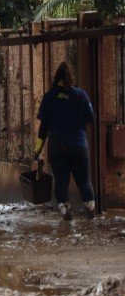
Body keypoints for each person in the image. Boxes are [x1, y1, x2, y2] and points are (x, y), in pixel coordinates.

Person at [33, 62, 96, 220]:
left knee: (61, 182)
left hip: (57, 146)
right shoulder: (81, 95)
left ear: (56, 78)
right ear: (70, 77)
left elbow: (43, 127)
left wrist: (37, 149)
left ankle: (66, 214)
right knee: (84, 181)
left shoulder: (49, 97)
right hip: (79, 146)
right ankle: (91, 213)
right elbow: (92, 118)